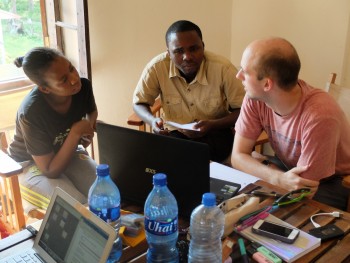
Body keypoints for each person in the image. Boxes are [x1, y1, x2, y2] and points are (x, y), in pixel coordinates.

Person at [231, 37, 350, 210]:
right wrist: (277, 176)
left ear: (267, 84)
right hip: (288, 170)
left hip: (333, 182)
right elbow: (237, 156)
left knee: (265, 211)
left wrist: (266, 170)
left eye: (245, 71)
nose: (238, 75)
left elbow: (302, 190)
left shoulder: (320, 115)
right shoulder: (255, 97)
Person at [133, 20, 244, 163]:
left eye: (193, 49)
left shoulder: (223, 68)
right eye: (179, 51)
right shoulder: (156, 67)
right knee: (150, 160)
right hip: (175, 134)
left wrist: (212, 124)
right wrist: (153, 120)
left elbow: (244, 110)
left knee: (196, 164)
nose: (187, 57)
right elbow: (139, 103)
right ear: (169, 53)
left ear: (203, 47)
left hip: (216, 133)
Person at [8, 47, 98, 209]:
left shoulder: (82, 87)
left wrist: (88, 127)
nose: (74, 79)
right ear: (44, 88)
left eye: (71, 68)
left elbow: (91, 110)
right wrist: (76, 132)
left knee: (102, 193)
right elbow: (50, 170)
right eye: (63, 80)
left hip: (66, 152)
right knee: (76, 207)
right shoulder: (31, 112)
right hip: (29, 165)